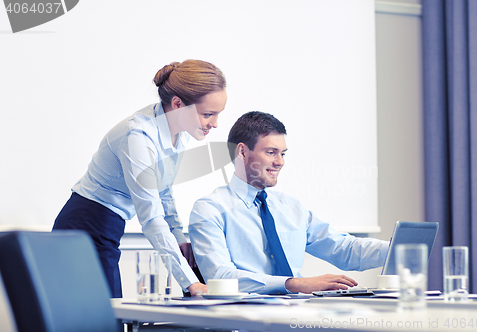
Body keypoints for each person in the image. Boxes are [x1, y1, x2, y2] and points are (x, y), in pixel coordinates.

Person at [53, 59, 227, 297]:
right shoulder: (138, 136)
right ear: (178, 104)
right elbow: (151, 217)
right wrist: (190, 283)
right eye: (208, 114)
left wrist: (178, 238)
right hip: (85, 223)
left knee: (110, 317)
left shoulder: (179, 132)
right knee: (104, 319)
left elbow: (163, 191)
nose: (215, 124)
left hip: (108, 226)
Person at [189, 111, 389, 294]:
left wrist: (397, 247)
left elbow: (344, 249)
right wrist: (294, 284)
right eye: (271, 152)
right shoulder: (209, 209)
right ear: (242, 152)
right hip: (247, 319)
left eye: (282, 154)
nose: (280, 162)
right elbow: (220, 278)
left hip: (299, 315)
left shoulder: (290, 207)